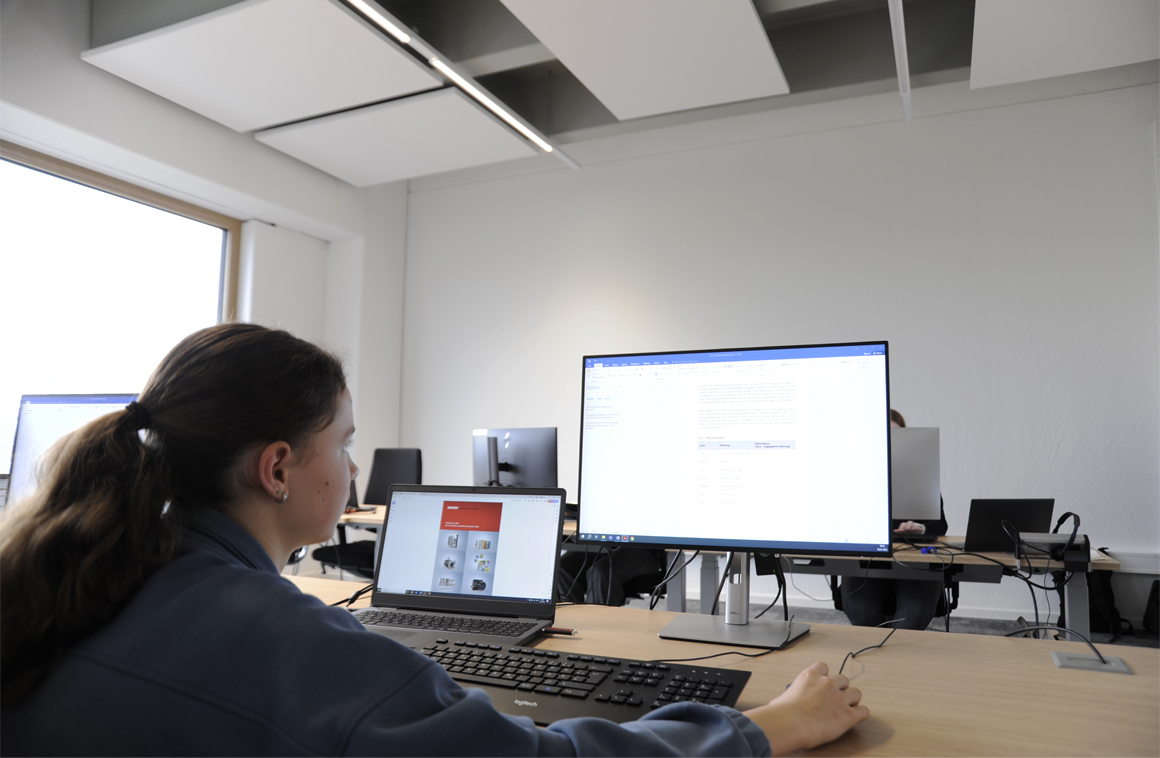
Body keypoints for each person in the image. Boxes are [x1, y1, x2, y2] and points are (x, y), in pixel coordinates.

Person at [1, 323, 868, 756]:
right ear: (277, 468)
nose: (352, 467)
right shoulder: (294, 644)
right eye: (344, 443)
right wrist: (765, 727)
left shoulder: (74, 581)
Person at [839, 409, 948, 631]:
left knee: (913, 615)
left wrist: (921, 527)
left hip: (914, 558)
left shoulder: (919, 476)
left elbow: (941, 525)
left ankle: (899, 650)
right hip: (869, 558)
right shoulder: (854, 477)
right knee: (860, 610)